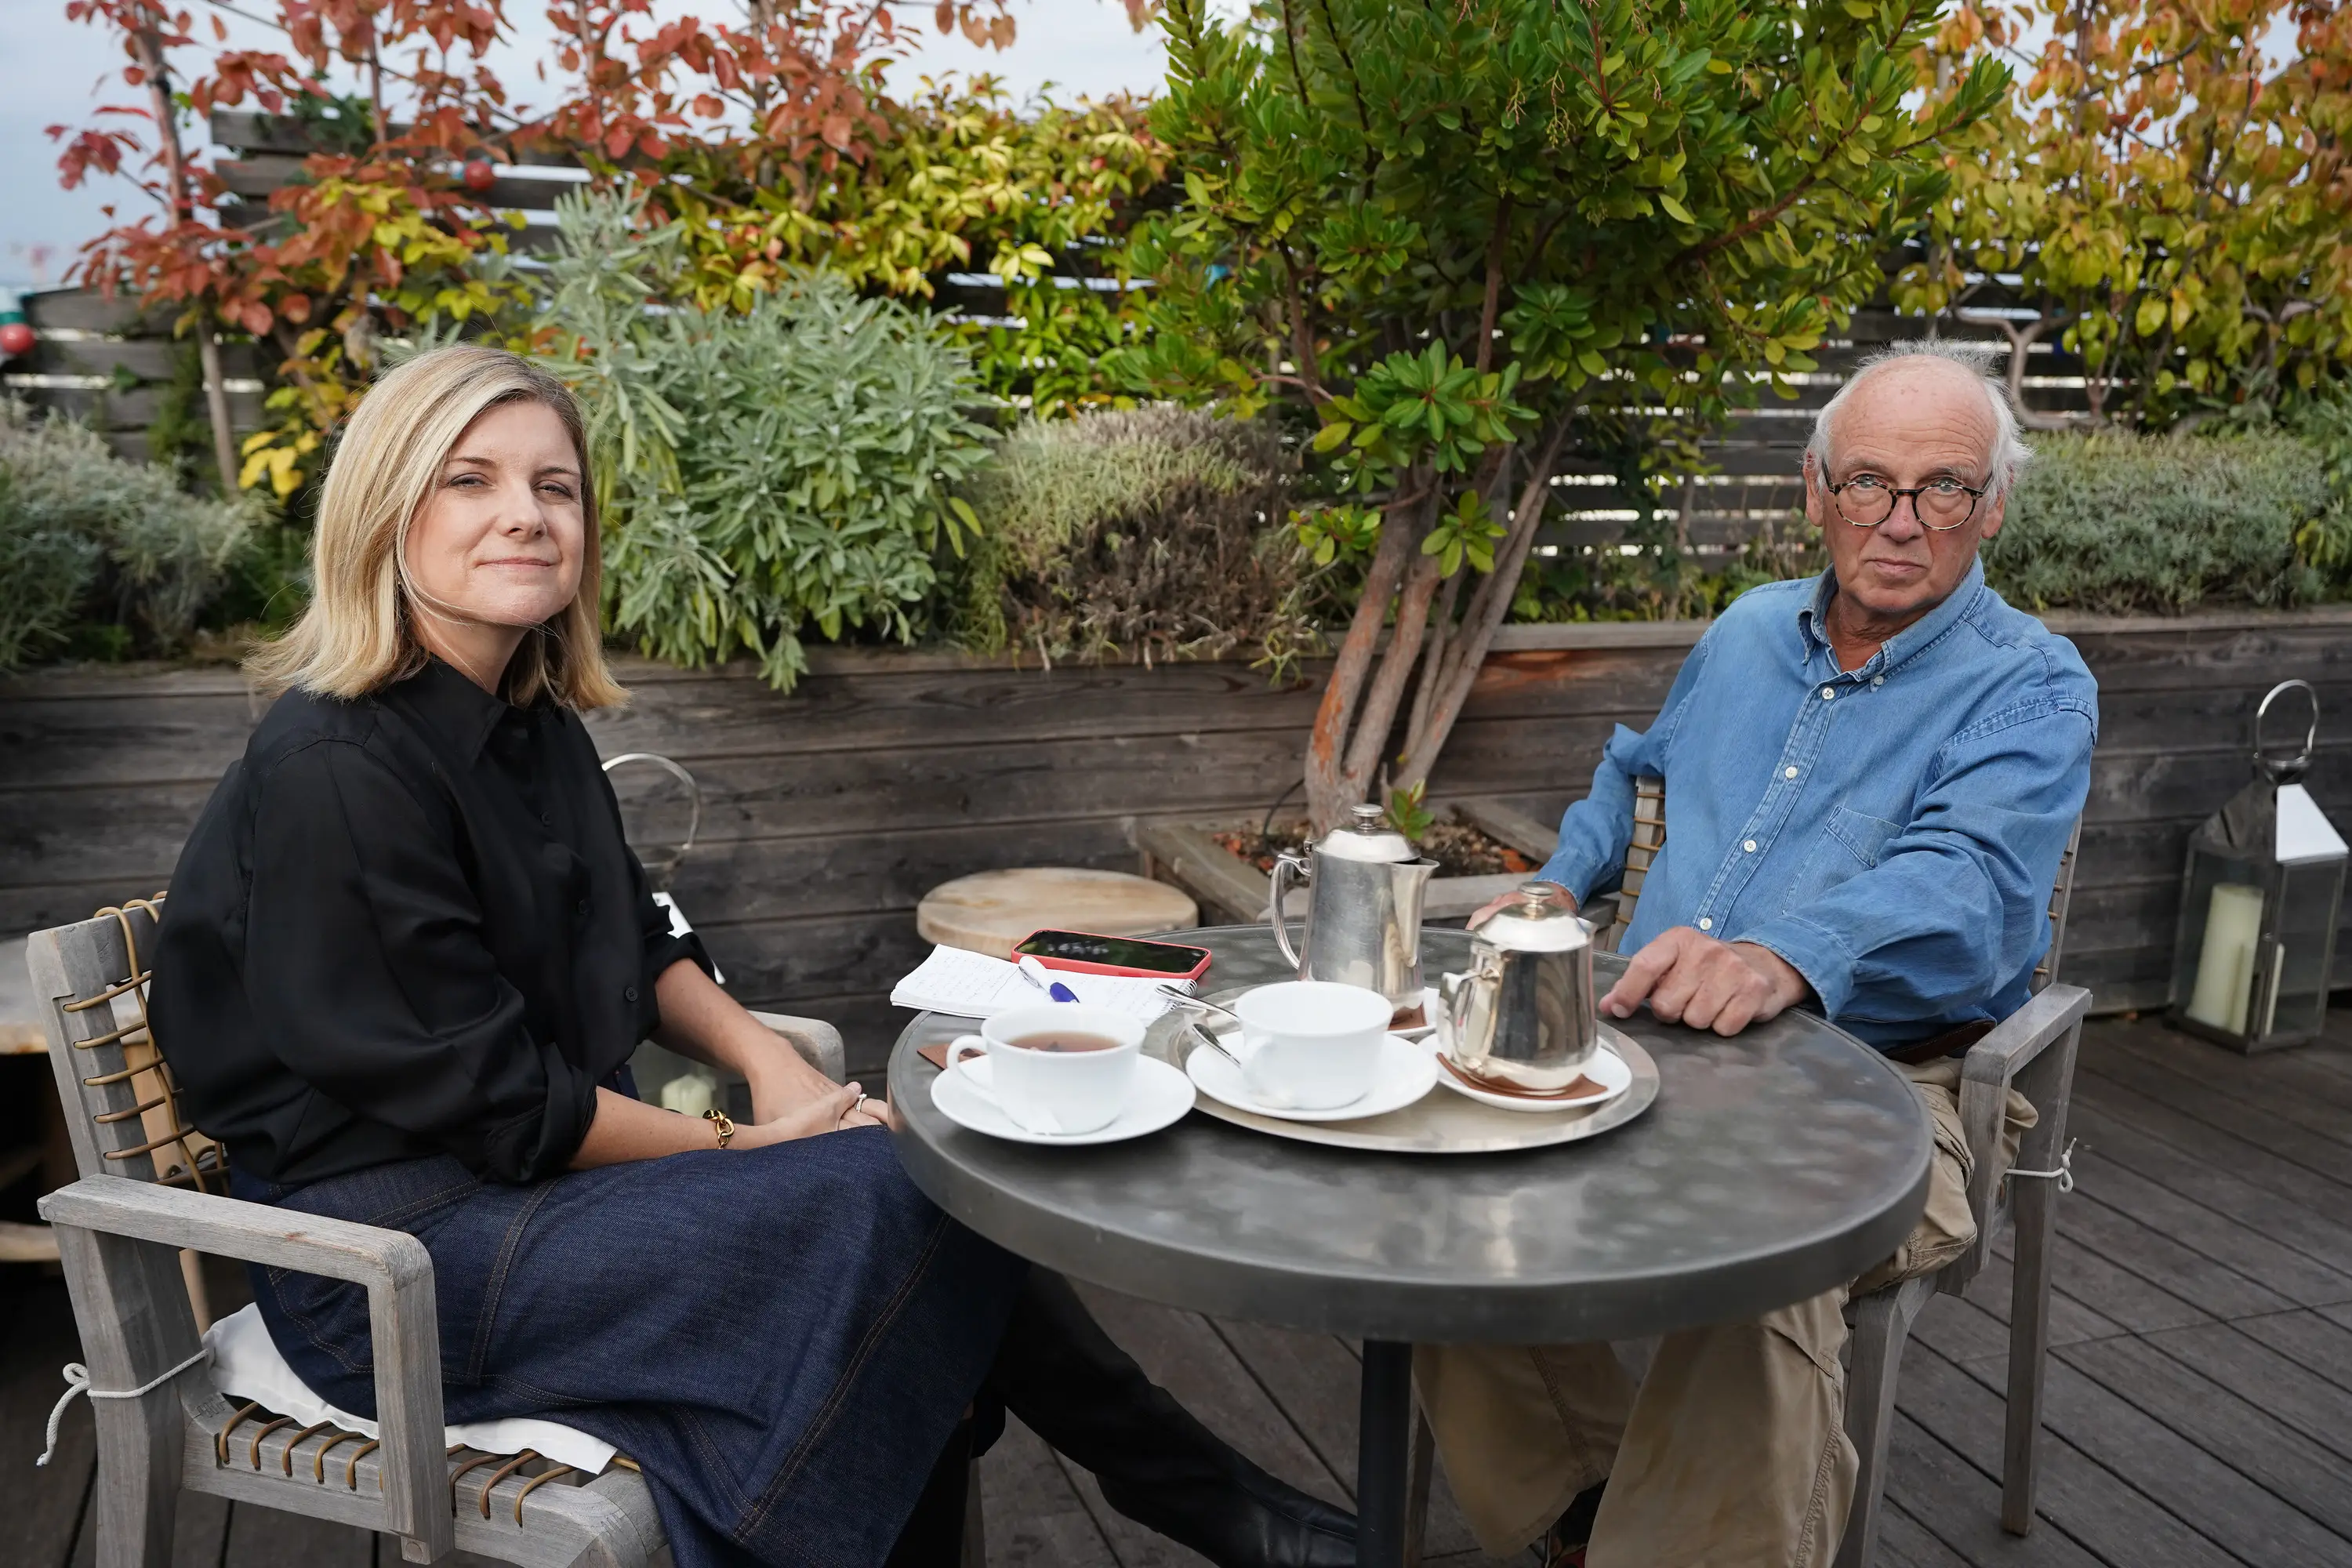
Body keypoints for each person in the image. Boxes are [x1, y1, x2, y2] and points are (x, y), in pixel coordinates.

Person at [148, 345, 1356, 1568]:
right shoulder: (339, 767)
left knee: (906, 1194)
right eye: (472, 480)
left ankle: (1200, 1499)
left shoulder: (528, 721)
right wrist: (746, 1144)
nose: (525, 514)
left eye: (555, 487)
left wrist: (768, 1063)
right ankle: (1206, 1499)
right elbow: (498, 1102)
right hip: (391, 1261)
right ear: (383, 510)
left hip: (528, 1189)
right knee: (894, 1193)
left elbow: (636, 928)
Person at [1433, 345, 2098, 1568]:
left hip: (1894, 1087)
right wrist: (1558, 881)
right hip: (1646, 1045)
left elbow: (1971, 888)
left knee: (1767, 1250)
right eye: (1869, 482)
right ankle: (1585, 1514)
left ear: (1994, 505)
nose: (1901, 521)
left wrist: (1783, 954)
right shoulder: (1746, 632)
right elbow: (1633, 774)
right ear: (1815, 490)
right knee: (1442, 1162)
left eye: (1945, 489)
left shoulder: (2032, 687)